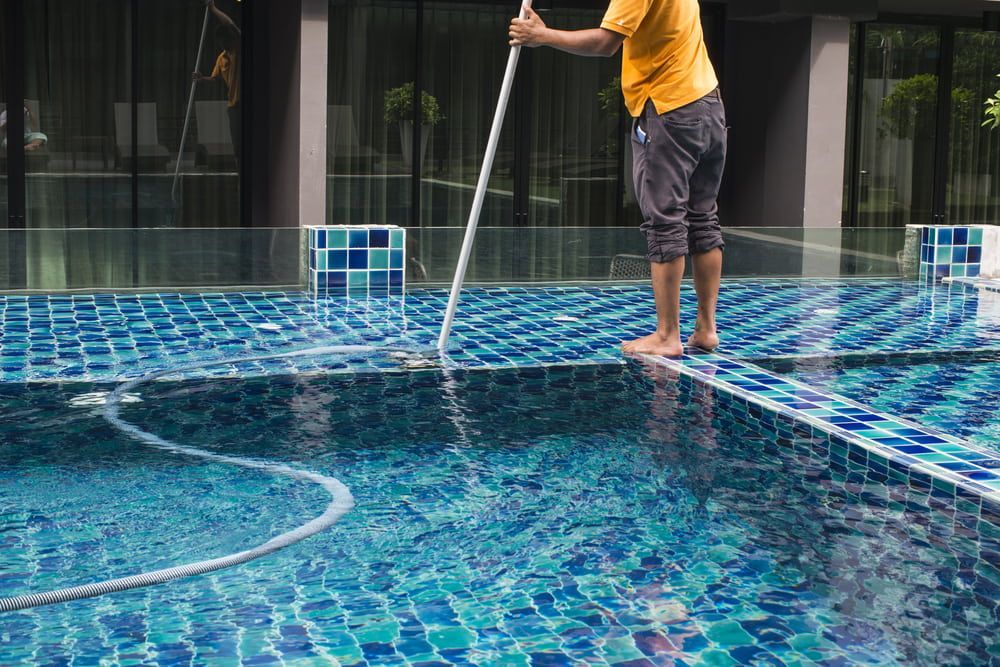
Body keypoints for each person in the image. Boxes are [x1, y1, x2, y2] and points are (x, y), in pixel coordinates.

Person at [509, 0, 726, 357]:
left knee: (665, 222)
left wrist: (542, 35)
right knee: (703, 218)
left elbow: (605, 42)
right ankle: (706, 330)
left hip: (669, 109)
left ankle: (667, 336)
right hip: (709, 104)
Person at [192, 0, 241, 164]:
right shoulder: (222, 58)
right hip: (234, 106)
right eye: (222, 43)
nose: (224, 45)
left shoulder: (239, 50)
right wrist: (201, 78)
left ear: (232, 40)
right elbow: (214, 79)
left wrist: (213, 9)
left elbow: (231, 25)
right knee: (237, 148)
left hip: (247, 105)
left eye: (226, 42)